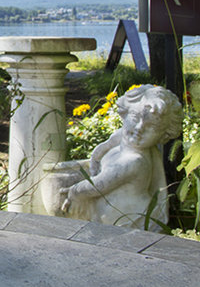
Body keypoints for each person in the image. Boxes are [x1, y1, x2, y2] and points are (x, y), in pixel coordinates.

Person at [59, 84, 182, 231]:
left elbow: (98, 186)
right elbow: (105, 146)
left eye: (152, 127)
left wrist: (75, 192)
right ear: (125, 113)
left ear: (164, 134)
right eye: (135, 117)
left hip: (130, 223)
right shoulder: (123, 137)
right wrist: (95, 162)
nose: (139, 128)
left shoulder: (134, 161)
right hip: (110, 225)